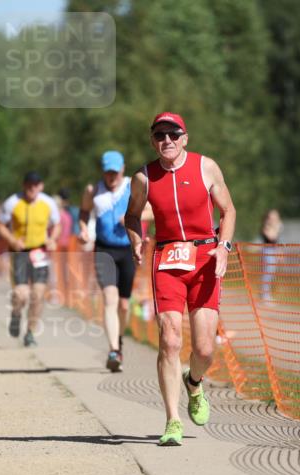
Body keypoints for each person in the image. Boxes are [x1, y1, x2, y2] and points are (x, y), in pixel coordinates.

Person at [125, 112, 236, 446]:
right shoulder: (144, 177)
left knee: (204, 348)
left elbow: (228, 210)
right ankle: (172, 420)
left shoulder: (206, 167)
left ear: (185, 138)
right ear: (152, 141)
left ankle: (194, 381)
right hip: (167, 259)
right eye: (160, 135)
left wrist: (224, 247)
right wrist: (135, 239)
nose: (167, 141)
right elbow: (131, 214)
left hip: (204, 258)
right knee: (169, 340)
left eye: (173, 134)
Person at [79, 150, 135, 373]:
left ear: (123, 169)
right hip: (104, 250)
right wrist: (83, 229)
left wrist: (130, 218)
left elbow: (152, 210)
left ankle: (119, 340)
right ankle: (113, 350)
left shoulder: (134, 186)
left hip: (128, 249)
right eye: (107, 172)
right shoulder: (93, 190)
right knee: (110, 298)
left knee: (124, 304)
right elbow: (83, 212)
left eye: (115, 172)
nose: (111, 177)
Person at [0, 172, 61, 346]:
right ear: (24, 185)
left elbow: (57, 224)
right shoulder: (12, 202)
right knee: (21, 294)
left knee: (38, 294)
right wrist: (11, 240)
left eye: (35, 185)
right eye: (29, 184)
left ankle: (30, 333)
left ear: (41, 186)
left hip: (40, 252)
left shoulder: (48, 203)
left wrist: (52, 239)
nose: (32, 188)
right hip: (20, 253)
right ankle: (16, 314)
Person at [260, 209, 283, 301]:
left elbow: (277, 241)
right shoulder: (267, 226)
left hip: (273, 250)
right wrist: (276, 228)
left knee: (271, 273)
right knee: (267, 273)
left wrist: (279, 253)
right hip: (267, 251)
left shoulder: (276, 226)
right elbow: (271, 237)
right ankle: (264, 295)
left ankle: (265, 293)